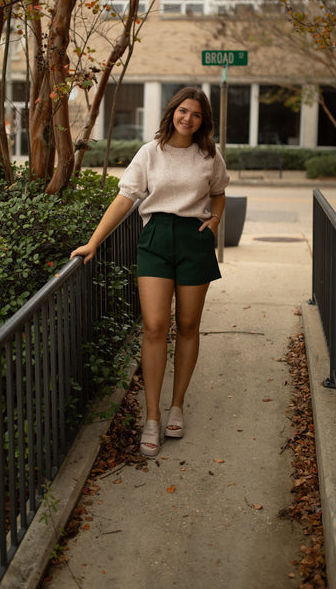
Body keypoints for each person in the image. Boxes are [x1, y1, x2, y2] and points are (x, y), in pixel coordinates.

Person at [71, 86, 230, 457]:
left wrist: (217, 219)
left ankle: (177, 405)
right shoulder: (150, 152)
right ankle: (153, 416)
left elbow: (220, 191)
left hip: (195, 240)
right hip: (156, 237)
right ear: (172, 111)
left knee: (189, 326)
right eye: (182, 111)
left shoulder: (209, 154)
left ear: (203, 120)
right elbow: (124, 198)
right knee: (155, 326)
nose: (187, 118)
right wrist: (93, 242)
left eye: (195, 114)